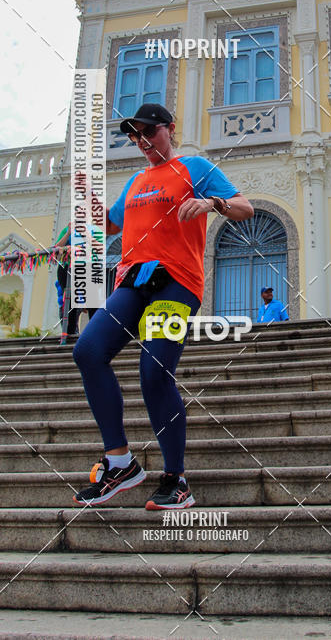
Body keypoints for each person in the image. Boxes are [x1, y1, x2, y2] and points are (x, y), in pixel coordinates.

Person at [72, 103, 253, 509]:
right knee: (87, 350)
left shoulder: (195, 168)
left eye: (149, 132)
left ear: (171, 129)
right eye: (135, 136)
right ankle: (120, 464)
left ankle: (176, 479)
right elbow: (111, 224)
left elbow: (246, 208)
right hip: (133, 280)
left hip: (176, 284)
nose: (142, 142)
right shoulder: (136, 180)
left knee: (154, 372)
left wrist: (213, 204)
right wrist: (87, 202)